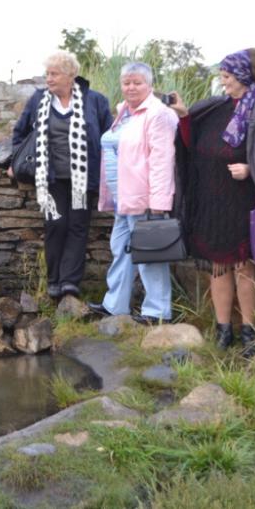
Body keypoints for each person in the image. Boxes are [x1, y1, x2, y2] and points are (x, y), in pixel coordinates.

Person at [169, 49, 255, 357]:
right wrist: (184, 117)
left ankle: (249, 333)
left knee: (245, 270)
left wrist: (251, 169)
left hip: (244, 206)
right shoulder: (216, 109)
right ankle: (223, 330)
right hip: (214, 206)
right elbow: (194, 147)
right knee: (218, 269)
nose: (222, 80)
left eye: (226, 75)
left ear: (242, 76)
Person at [10, 50, 113, 300]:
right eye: (47, 74)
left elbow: (108, 136)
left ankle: (70, 282)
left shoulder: (95, 101)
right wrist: (15, 160)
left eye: (54, 74)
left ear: (70, 76)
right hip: (50, 178)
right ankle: (54, 279)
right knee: (56, 224)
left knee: (78, 227)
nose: (49, 78)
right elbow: (20, 133)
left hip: (82, 179)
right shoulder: (38, 100)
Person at [89, 62, 178, 324]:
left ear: (149, 85)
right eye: (126, 82)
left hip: (144, 198)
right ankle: (115, 305)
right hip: (122, 198)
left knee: (150, 255)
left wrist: (159, 201)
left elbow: (163, 160)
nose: (131, 87)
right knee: (121, 251)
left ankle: (157, 312)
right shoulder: (125, 113)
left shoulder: (158, 114)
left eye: (137, 82)